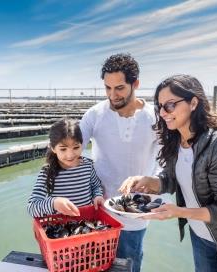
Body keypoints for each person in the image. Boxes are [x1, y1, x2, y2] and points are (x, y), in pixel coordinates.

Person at [119, 74, 217, 272]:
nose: (163, 112)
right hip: (202, 238)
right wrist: (149, 181)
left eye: (170, 105)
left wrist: (179, 212)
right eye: (159, 106)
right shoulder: (175, 140)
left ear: (193, 103)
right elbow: (174, 179)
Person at [79, 53, 160, 272]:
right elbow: (68, 152)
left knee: (128, 267)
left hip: (135, 213)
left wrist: (154, 181)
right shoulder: (94, 115)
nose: (112, 95)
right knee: (92, 266)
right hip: (98, 210)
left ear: (136, 84)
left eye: (120, 88)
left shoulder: (156, 117)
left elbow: (167, 160)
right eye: (107, 88)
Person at [27, 118, 104, 218]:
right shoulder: (47, 172)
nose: (70, 155)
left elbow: (96, 186)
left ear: (82, 145)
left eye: (76, 147)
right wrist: (54, 203)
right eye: (63, 149)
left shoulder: (88, 166)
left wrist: (98, 196)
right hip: (60, 226)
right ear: (53, 148)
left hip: (86, 222)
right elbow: (32, 206)